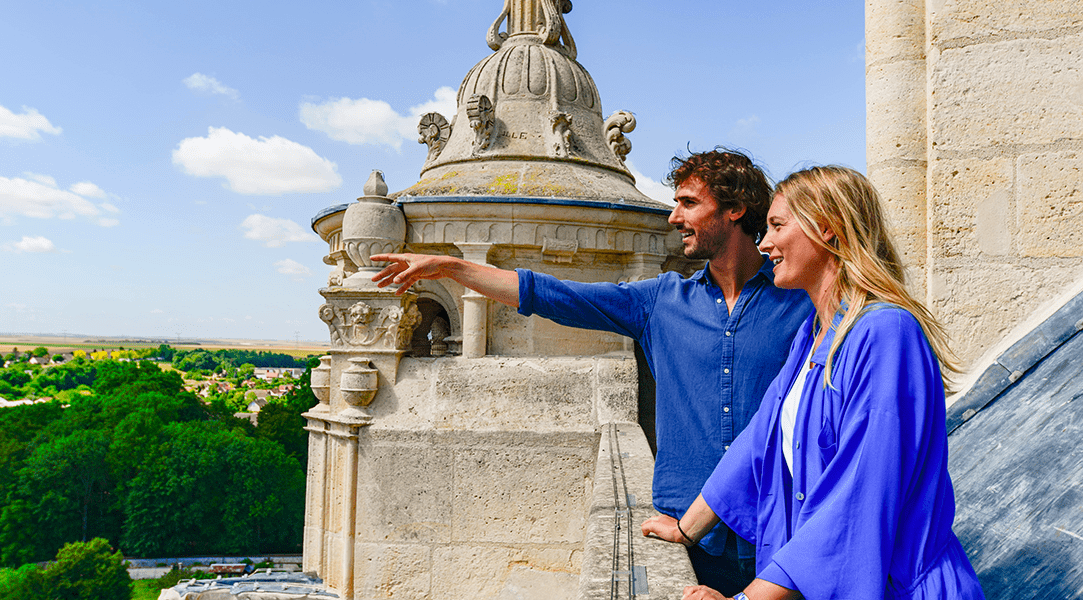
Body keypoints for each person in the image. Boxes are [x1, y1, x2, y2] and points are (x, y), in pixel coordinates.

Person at [371, 149, 813, 595]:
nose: (674, 217)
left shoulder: (802, 304)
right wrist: (452, 267)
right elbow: (554, 294)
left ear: (735, 209)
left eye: (689, 203)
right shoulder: (661, 299)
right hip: (685, 530)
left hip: (779, 528)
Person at [641, 166, 985, 600]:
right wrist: (687, 529)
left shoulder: (885, 334)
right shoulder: (813, 334)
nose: (764, 244)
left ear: (826, 227)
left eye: (777, 226)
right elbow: (758, 440)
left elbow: (857, 495)